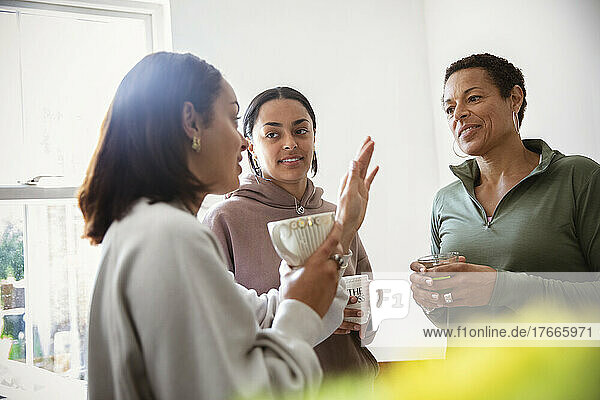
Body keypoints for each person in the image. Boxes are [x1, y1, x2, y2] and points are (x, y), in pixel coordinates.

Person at [78, 52, 378, 399]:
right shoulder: (172, 235)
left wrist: (341, 232)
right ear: (191, 122)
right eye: (233, 119)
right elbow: (253, 389)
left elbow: (259, 316)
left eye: (301, 130)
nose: (243, 141)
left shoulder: (145, 228)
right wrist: (305, 307)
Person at [409, 53, 599, 324]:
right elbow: (448, 322)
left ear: (514, 98)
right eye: (450, 108)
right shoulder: (445, 200)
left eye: (473, 98)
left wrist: (500, 287)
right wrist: (431, 299)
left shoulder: (578, 177)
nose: (459, 114)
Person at [203, 87, 380, 378]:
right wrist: (319, 311)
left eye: (300, 131)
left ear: (314, 138)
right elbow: (220, 331)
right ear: (250, 147)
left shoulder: (339, 213)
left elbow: (370, 326)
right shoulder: (224, 218)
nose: (290, 144)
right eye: (272, 134)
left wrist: (361, 317)